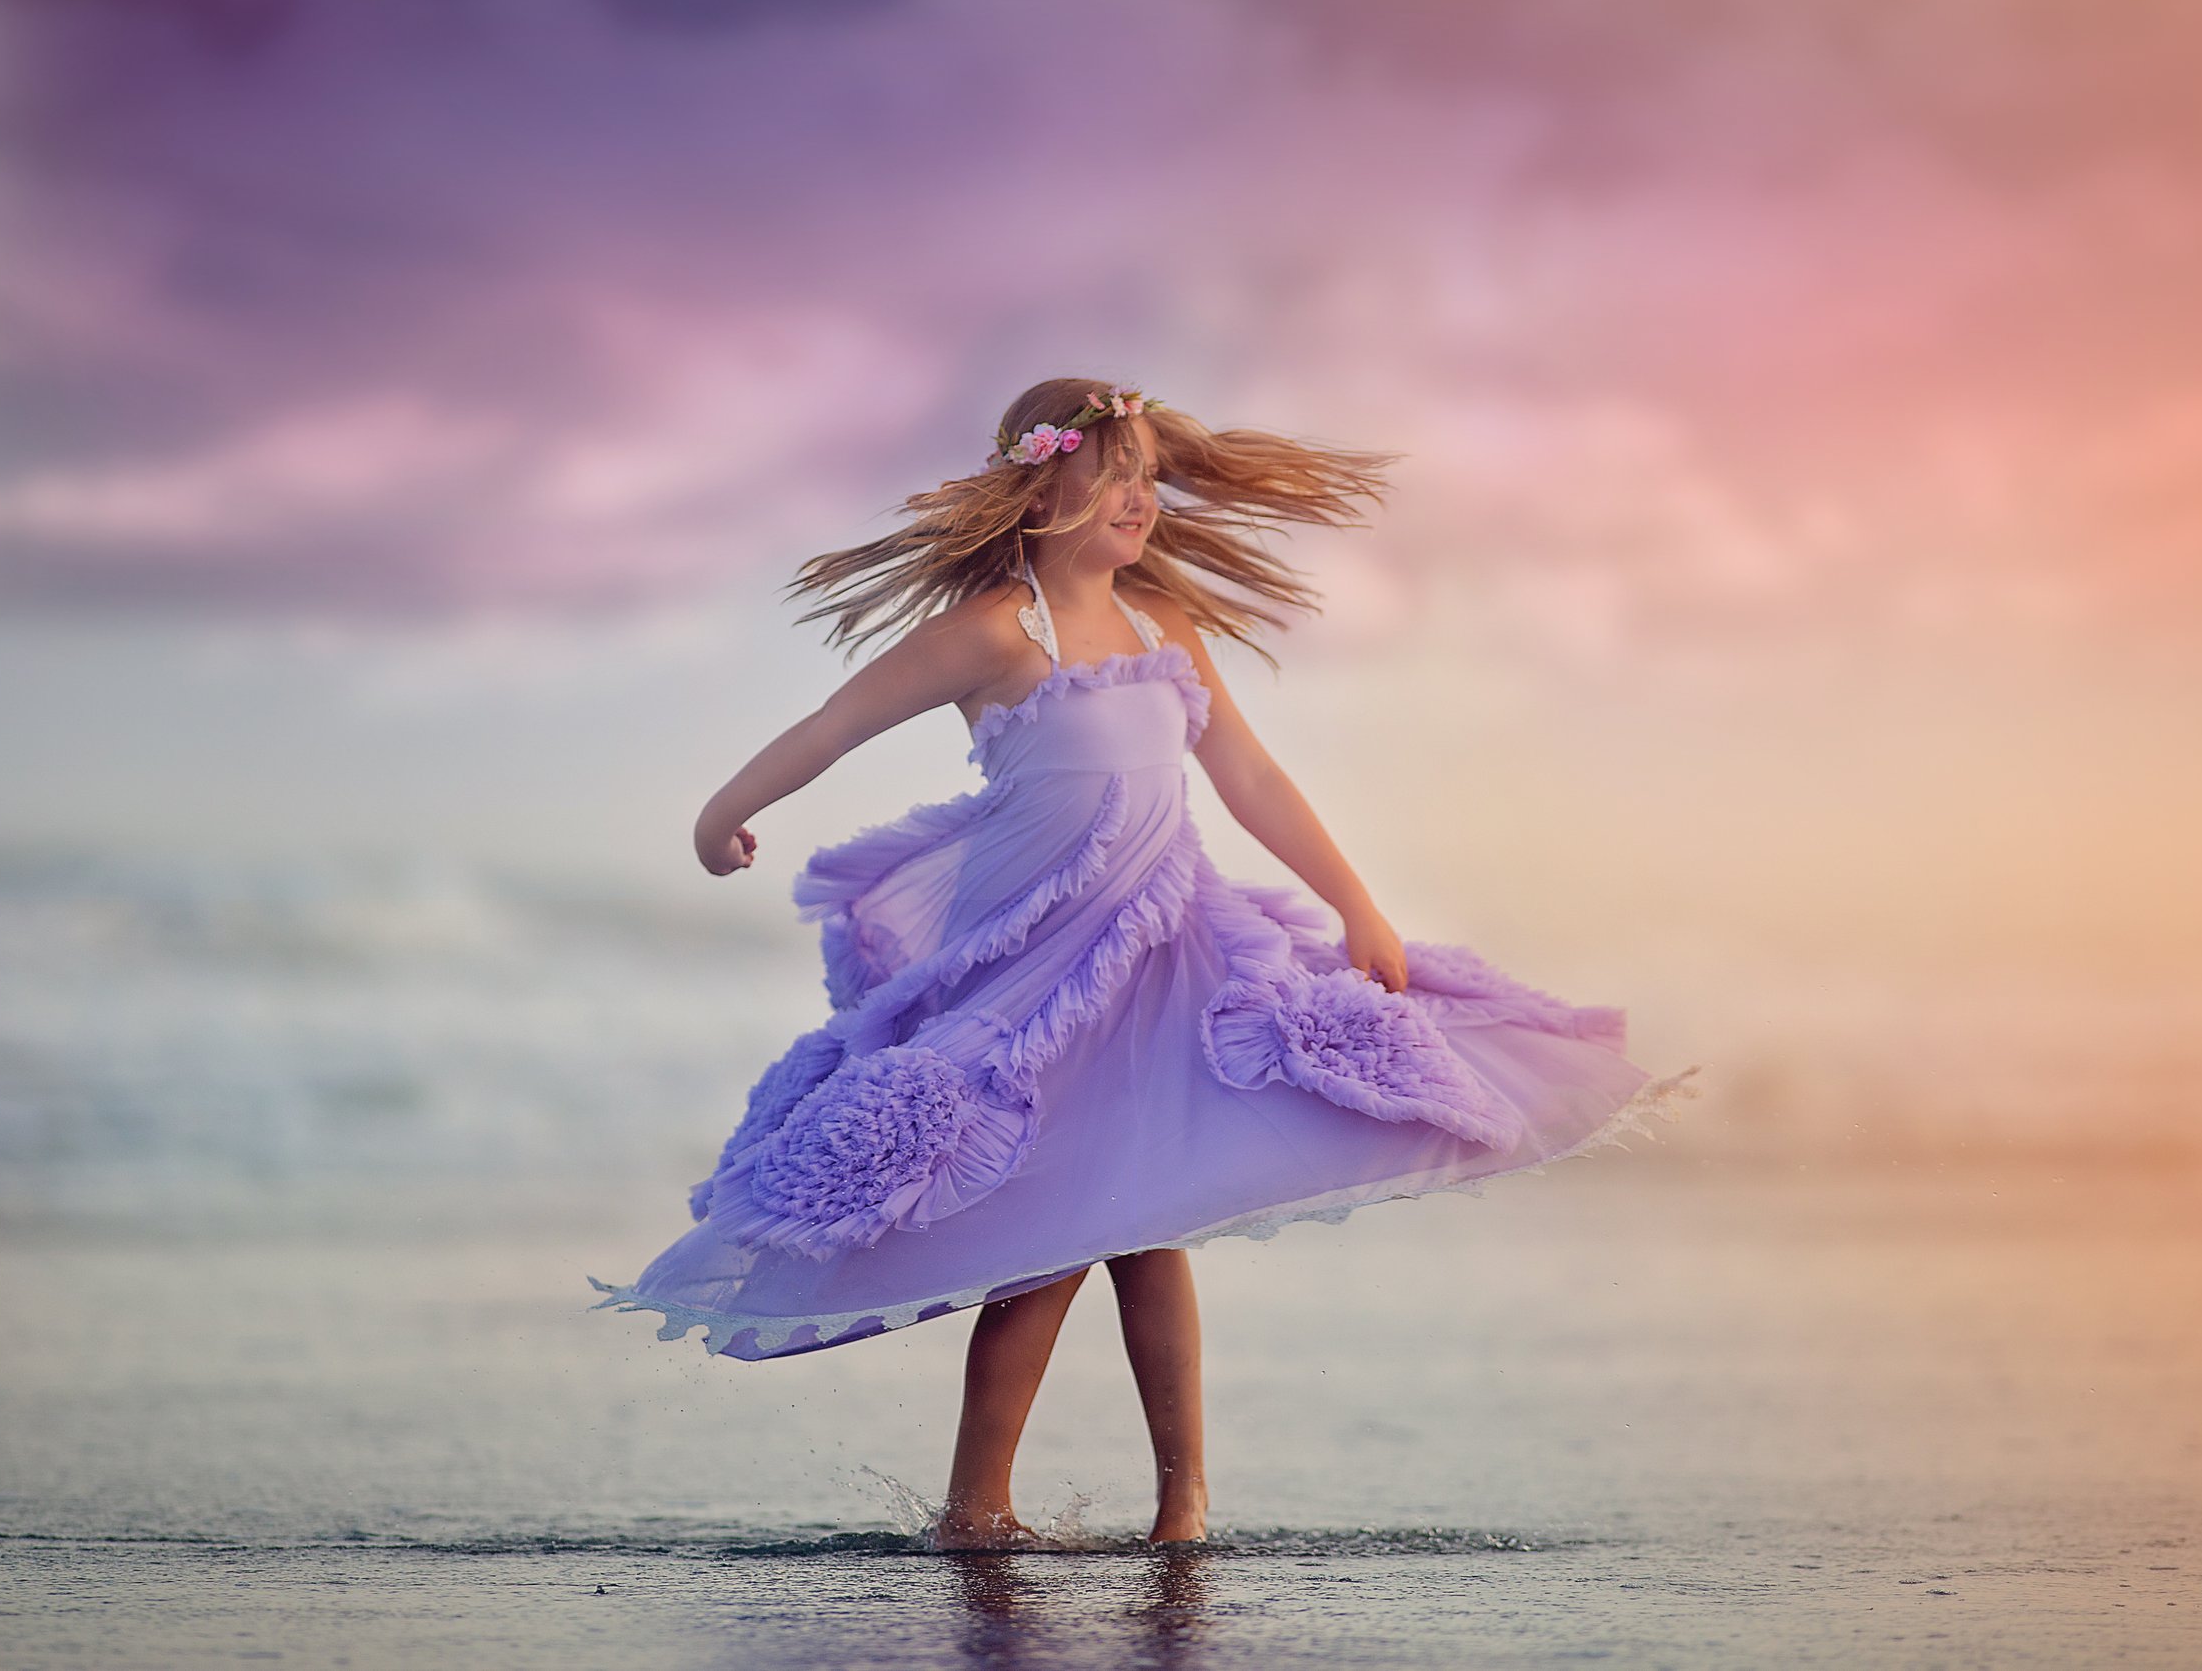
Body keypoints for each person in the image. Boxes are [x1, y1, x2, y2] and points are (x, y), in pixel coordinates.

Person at [589, 377, 1698, 1550]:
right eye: (1114, 472)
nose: (1140, 497)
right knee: (1051, 1238)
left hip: (1169, 956)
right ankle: (978, 1507)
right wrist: (723, 813)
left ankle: (1183, 1505)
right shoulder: (993, 632)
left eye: (1150, 476)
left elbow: (1252, 779)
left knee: (1146, 1220)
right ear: (1042, 481)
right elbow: (831, 725)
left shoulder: (1168, 629)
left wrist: (1355, 902)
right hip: (1036, 974)